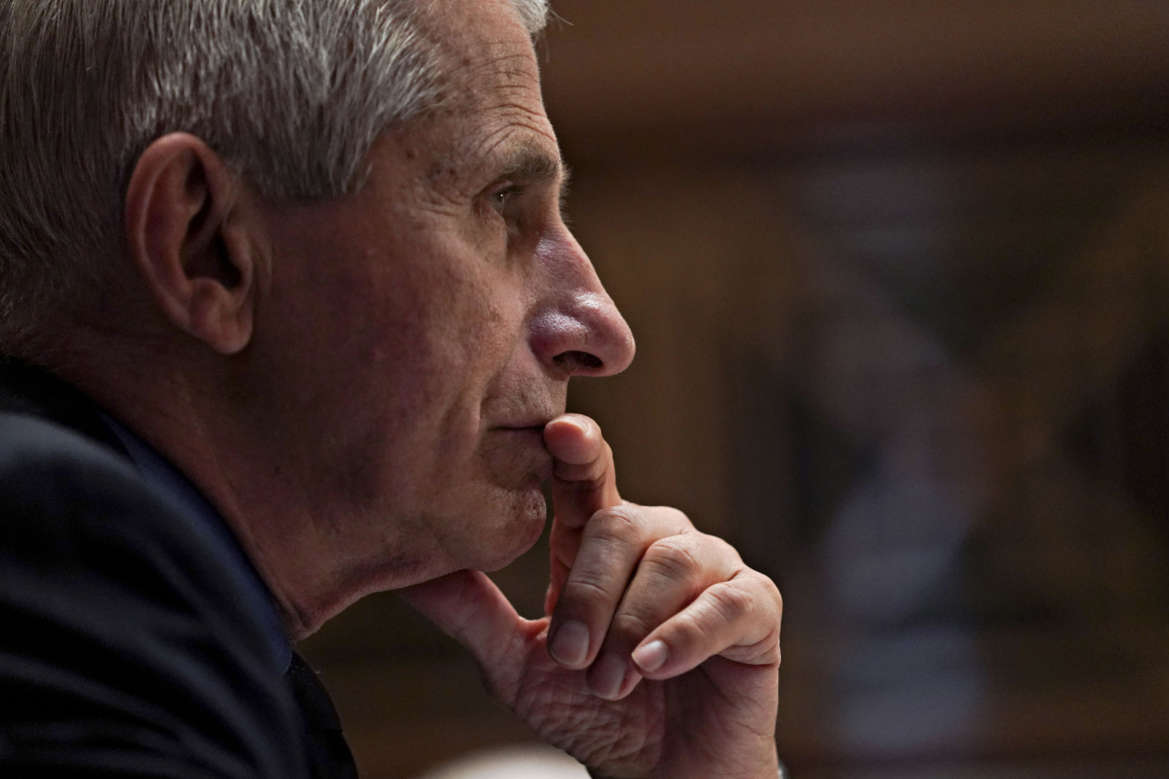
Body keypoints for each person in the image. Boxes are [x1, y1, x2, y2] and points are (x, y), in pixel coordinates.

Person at [0, 0, 783, 776]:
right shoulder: (63, 560)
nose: (603, 330)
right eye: (501, 205)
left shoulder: (168, 619)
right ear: (208, 246)